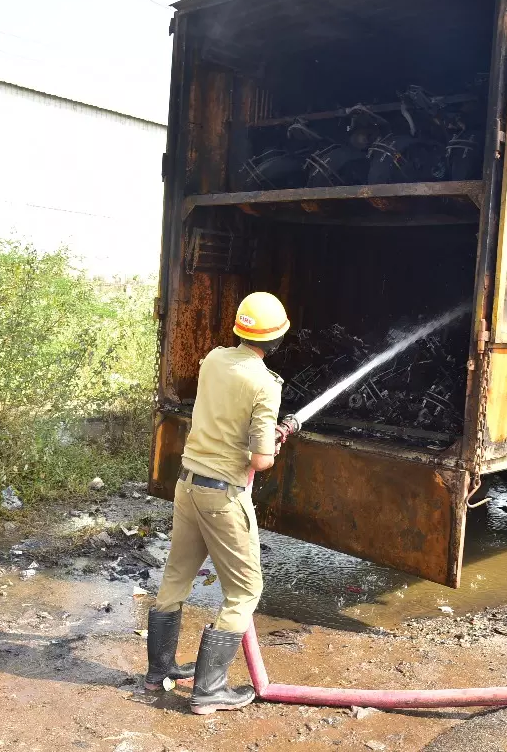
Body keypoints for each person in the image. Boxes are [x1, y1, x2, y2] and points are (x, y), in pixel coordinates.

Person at [147, 291, 288, 715]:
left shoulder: (213, 359)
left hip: (188, 485)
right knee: (246, 590)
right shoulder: (264, 384)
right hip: (224, 494)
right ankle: (209, 691)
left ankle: (159, 671)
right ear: (278, 339)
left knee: (176, 577)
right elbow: (260, 460)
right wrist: (275, 440)